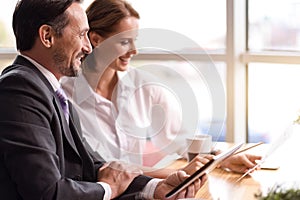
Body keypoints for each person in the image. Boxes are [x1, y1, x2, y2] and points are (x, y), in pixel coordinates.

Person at [0, 0, 206, 199]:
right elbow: (47, 192)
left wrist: (155, 188)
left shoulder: (51, 92)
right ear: (47, 36)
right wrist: (107, 189)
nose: (88, 47)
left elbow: (91, 167)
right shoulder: (20, 88)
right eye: (81, 35)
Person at [61, 0, 262, 177]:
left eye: (135, 41)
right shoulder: (66, 96)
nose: (134, 50)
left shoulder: (143, 85)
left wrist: (223, 159)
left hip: (142, 190)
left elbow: (181, 138)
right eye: (124, 42)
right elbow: (100, 167)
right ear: (96, 40)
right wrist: (174, 172)